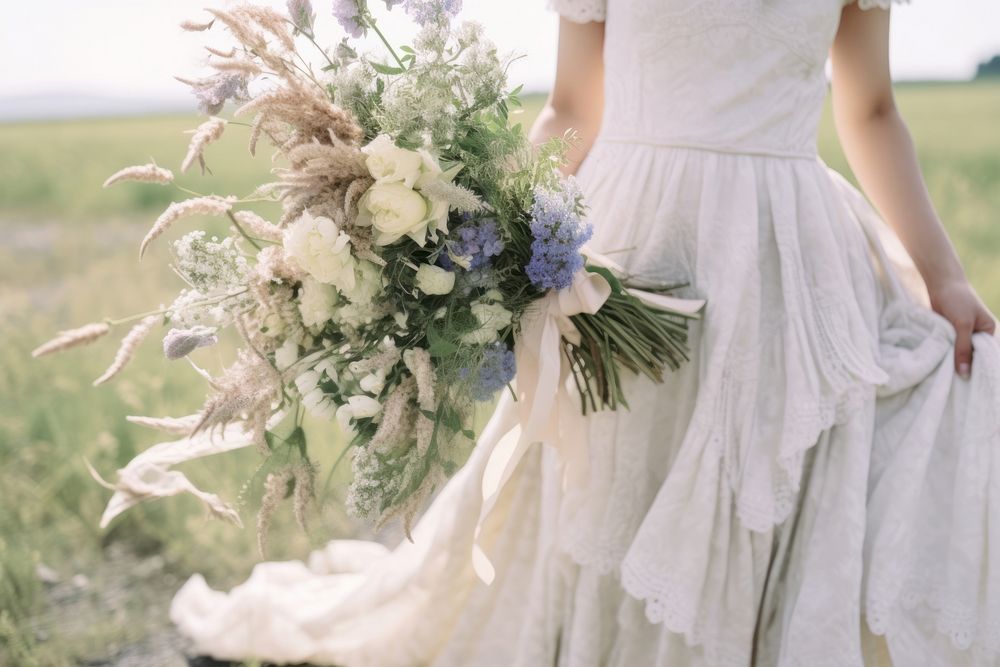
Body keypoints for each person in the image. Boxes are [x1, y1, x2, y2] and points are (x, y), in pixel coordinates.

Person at [172, 1, 1000, 664]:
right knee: (607, 477)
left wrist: (945, 276)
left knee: (773, 475)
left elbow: (872, 107)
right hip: (630, 241)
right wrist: (473, 226)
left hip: (788, 250)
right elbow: (572, 106)